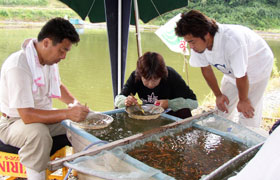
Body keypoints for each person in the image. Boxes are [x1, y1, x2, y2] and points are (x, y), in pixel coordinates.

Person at [0, 17, 89, 180]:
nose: (63, 57)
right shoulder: (19, 65)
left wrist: (75, 105)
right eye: (62, 50)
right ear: (46, 42)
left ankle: (82, 172)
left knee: (84, 123)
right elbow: (27, 116)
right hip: (12, 122)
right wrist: (67, 113)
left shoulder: (48, 62)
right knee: (38, 133)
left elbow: (58, 86)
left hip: (40, 115)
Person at [175, 10, 274, 128]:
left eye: (192, 42)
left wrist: (243, 100)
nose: (191, 46)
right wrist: (218, 95)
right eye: (188, 42)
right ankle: (223, 138)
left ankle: (248, 139)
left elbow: (241, 75)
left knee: (247, 111)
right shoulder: (198, 44)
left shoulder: (232, 41)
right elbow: (206, 69)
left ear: (206, 34)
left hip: (257, 66)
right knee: (222, 107)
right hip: (233, 71)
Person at [114, 51, 198, 119]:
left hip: (169, 115)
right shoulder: (136, 76)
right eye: (146, 80)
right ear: (140, 75)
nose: (150, 85)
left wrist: (170, 103)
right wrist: (126, 101)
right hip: (147, 114)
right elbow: (118, 99)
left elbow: (194, 103)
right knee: (119, 108)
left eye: (155, 80)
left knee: (184, 111)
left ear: (162, 76)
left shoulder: (171, 75)